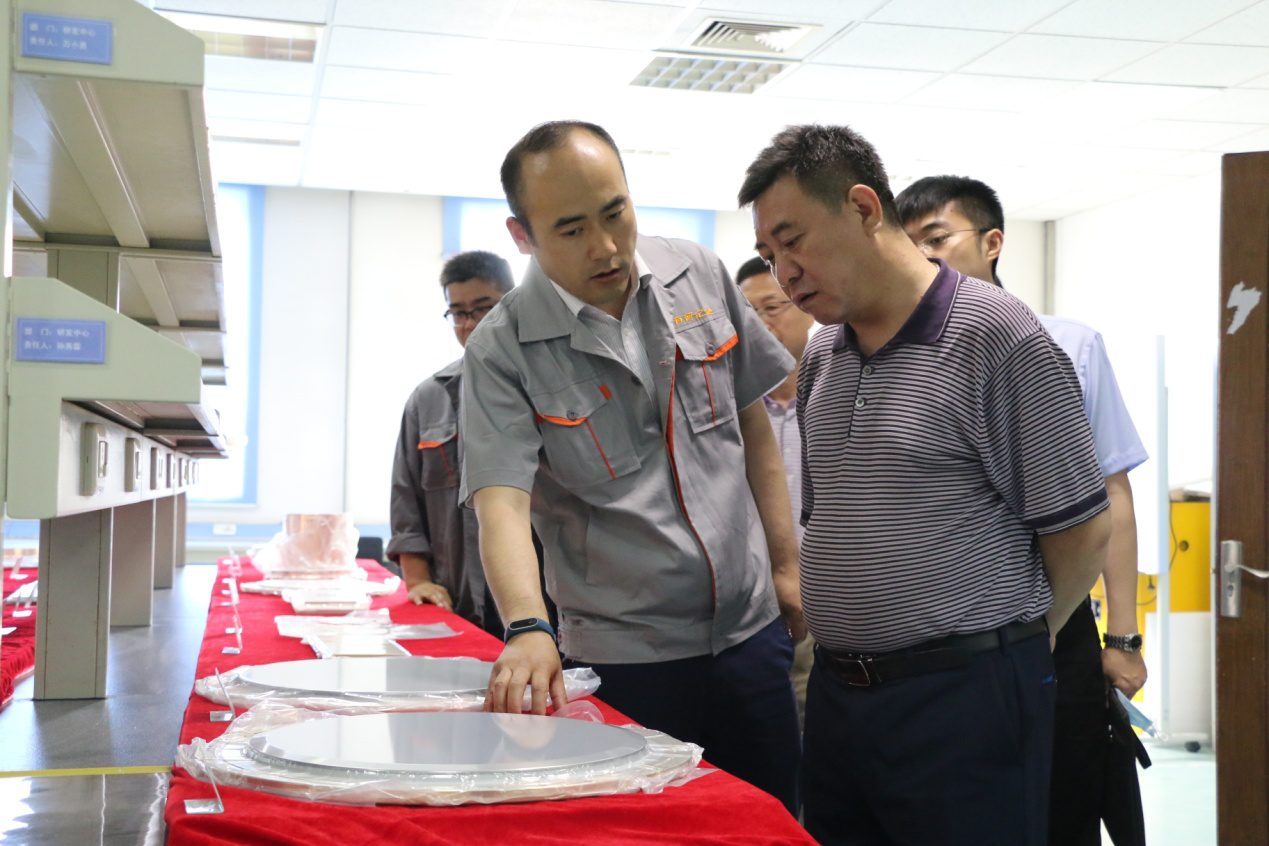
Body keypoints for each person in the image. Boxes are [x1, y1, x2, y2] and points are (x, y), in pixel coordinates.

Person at [740, 124, 1112, 846]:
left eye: (793, 241)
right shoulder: (825, 354)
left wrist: (1012, 650)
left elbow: (1080, 532)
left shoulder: (996, 336)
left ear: (862, 207)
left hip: (963, 701)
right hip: (842, 699)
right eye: (769, 255)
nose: (784, 273)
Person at [459, 120, 804, 812]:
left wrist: (786, 566)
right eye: (571, 229)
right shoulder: (503, 348)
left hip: (749, 635)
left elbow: (753, 428)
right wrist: (527, 625)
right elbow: (502, 503)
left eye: (615, 212)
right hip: (627, 660)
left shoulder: (697, 274)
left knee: (770, 817)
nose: (606, 246)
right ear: (522, 235)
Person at [896, 174, 1151, 846]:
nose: (923, 256)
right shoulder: (897, 355)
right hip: (951, 633)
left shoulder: (1067, 343)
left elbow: (1111, 495)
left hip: (1055, 617)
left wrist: (1123, 638)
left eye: (937, 238)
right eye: (909, 242)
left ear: (992, 243)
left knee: (1063, 797)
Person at [387, 250, 513, 636]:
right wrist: (416, 580)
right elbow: (406, 498)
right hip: (460, 598)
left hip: (546, 596)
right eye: (458, 313)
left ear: (512, 304)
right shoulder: (429, 398)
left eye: (482, 309)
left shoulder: (548, 387)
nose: (470, 324)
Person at [736, 256, 818, 726]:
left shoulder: (836, 393)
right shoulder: (731, 411)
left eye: (773, 307)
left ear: (806, 308)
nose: (761, 323)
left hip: (831, 599)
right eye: (748, 313)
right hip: (758, 607)